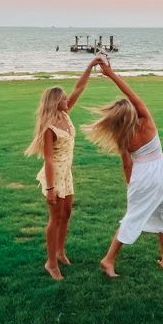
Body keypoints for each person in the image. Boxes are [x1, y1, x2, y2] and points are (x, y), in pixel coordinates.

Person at [82, 59, 163, 277]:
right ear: (132, 111)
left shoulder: (122, 135)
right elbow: (132, 94)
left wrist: (131, 184)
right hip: (161, 172)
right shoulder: (146, 120)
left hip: (142, 175)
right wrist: (111, 74)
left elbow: (126, 163)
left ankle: (111, 259)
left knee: (133, 216)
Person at [25, 58, 99, 280]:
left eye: (66, 98)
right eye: (63, 98)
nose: (67, 100)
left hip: (67, 173)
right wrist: (49, 188)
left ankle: (60, 251)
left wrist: (91, 65)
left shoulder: (65, 115)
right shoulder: (49, 127)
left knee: (66, 214)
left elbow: (80, 87)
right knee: (55, 218)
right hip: (54, 175)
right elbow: (47, 159)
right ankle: (50, 263)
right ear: (55, 102)